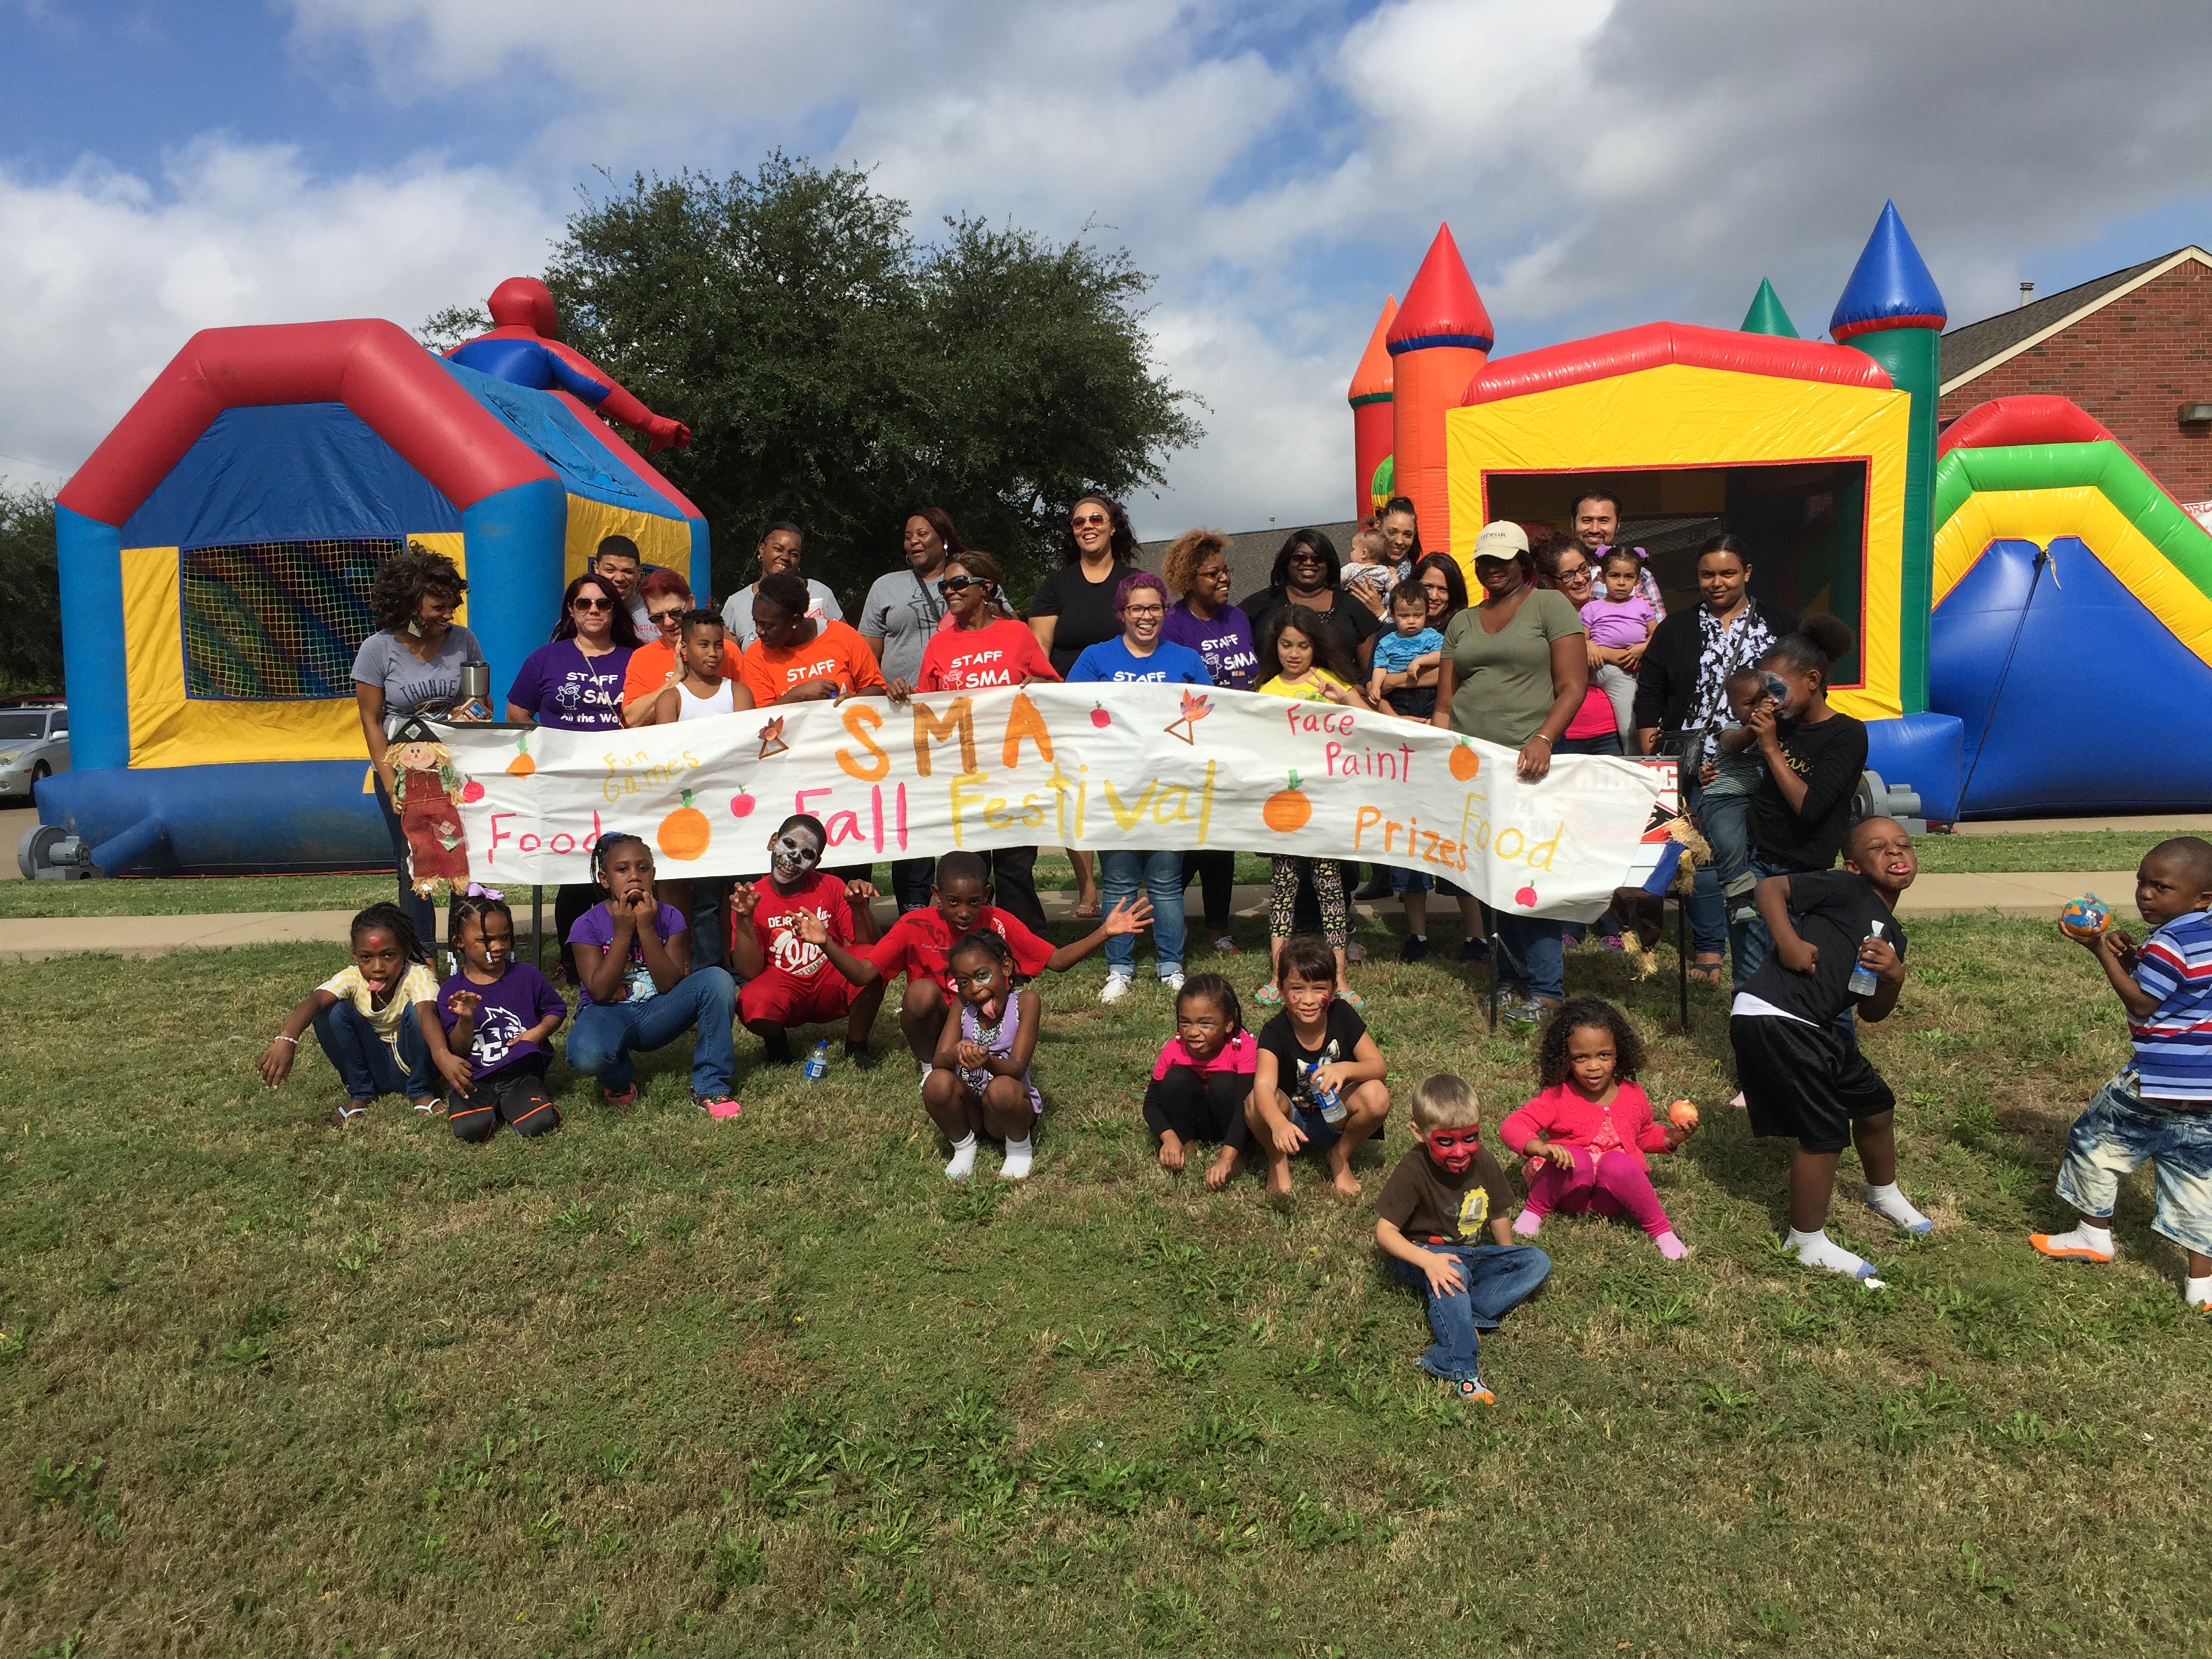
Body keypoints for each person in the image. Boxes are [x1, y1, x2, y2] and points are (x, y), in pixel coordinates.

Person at [1729, 816, 1930, 1282]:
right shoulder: (1845, 889)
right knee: (1824, 1131)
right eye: (1879, 848)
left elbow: (1873, 1015)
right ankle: (1805, 1241)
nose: (1895, 852)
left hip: (1815, 1024)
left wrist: (1894, 977)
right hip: (1773, 1013)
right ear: (1854, 866)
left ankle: (1883, 1192)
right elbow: (1770, 890)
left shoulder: (1894, 936)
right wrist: (1788, 942)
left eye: (1902, 845)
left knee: (1875, 1104)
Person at [2030, 836, 2212, 1310]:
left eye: (2161, 887)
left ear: (2202, 897)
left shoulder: (2171, 941)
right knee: (2196, 1176)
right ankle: (2203, 1285)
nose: (2145, 895)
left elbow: (2143, 1002)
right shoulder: (2202, 935)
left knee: (2095, 1142)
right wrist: (2134, 958)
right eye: (2141, 882)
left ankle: (2093, 1236)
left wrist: (2099, 952)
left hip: (2156, 1080)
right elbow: (2183, 990)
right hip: (2207, 1087)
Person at [1432, 520, 1589, 1024]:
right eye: (1483, 561)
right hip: (1474, 769)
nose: (1492, 569)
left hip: (1530, 765)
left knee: (1530, 875)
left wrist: (1543, 738)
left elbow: (1571, 687)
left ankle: (1546, 989)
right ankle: (1509, 975)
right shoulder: (1462, 621)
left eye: (1503, 560)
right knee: (1492, 875)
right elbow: (1445, 703)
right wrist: (1440, 756)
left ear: (1524, 563)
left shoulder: (1550, 605)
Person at [800, 851, 1147, 1073]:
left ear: (986, 894)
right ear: (936, 895)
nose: (964, 912)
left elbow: (1055, 960)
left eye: (972, 902)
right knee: (920, 993)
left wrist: (1104, 932)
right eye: (953, 902)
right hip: (940, 1024)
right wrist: (827, 943)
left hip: (986, 1027)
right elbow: (863, 974)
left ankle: (979, 1056)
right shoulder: (913, 924)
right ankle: (930, 1066)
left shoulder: (999, 920)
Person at [1633, 534, 1795, 986]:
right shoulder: (1677, 629)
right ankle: (1709, 946)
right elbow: (1651, 693)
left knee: (1761, 851)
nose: (1716, 582)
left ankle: (1766, 936)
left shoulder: (1778, 622)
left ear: (1747, 572)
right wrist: (1657, 754)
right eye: (1707, 574)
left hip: (1768, 754)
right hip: (1699, 760)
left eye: (1727, 573)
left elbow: (1801, 684)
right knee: (1702, 857)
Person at [890, 550, 1059, 935]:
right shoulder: (939, 644)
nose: (949, 591)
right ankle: (970, 938)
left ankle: (1023, 941)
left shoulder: (1016, 634)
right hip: (962, 777)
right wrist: (901, 696)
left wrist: (1043, 686)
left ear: (986, 588)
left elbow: (1055, 688)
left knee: (1014, 864)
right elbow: (927, 709)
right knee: (969, 862)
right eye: (944, 585)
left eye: (958, 583)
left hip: (1013, 770)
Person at [1067, 571, 1211, 1002]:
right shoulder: (1096, 657)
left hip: (1171, 786)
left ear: (1165, 611)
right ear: (1122, 613)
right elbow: (1070, 710)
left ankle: (1171, 965)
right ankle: (1120, 968)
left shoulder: (1186, 658)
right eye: (1136, 609)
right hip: (1116, 787)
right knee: (1119, 880)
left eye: (1154, 608)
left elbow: (1210, 715)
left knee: (1166, 881)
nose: (1146, 617)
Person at [1374, 1073, 1552, 1404]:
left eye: (1470, 1138)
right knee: (1453, 1275)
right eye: (1446, 1141)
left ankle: (1468, 1316)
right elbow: (1385, 1232)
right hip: (1419, 1255)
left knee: (1536, 1261)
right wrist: (1429, 1261)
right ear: (1419, 1132)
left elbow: (1498, 1214)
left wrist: (1507, 1261)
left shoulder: (1482, 1160)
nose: (1460, 1151)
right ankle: (1459, 1367)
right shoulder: (1413, 1168)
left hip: (1469, 1255)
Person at [351, 544, 485, 943]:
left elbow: (480, 702)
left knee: (462, 859)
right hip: (403, 771)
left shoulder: (463, 641)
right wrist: (390, 780)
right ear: (410, 604)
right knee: (416, 863)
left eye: (451, 606)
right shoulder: (378, 649)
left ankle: (466, 949)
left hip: (454, 770)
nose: (448, 616)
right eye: (437, 607)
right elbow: (371, 721)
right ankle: (421, 953)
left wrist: (471, 712)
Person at [564, 832, 741, 1118]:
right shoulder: (586, 924)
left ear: (653, 874)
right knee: (586, 1055)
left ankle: (709, 1085)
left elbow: (669, 983)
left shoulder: (669, 917)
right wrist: (622, 933)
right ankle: (619, 1079)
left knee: (717, 980)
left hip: (658, 1012)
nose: (634, 876)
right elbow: (600, 992)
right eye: (622, 870)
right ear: (605, 879)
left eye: (643, 868)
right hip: (606, 1012)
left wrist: (646, 929)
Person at [1731, 617, 1868, 989]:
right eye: (1765, 688)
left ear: (1812, 680)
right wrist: (1752, 732)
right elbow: (1729, 746)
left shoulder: (1847, 734)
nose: (1770, 698)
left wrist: (1771, 747)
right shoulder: (1781, 720)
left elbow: (1811, 808)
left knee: (1806, 973)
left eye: (1777, 688)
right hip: (1756, 861)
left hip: (1806, 874)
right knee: (1751, 970)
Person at [1500, 998, 1695, 1258]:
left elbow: (1644, 1134)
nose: (1593, 1066)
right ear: (1565, 1059)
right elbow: (1513, 1126)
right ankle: (1534, 1211)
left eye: (1603, 1055)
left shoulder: (1632, 1094)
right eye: (1581, 1058)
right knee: (1575, 1157)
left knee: (1619, 1163)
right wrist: (1541, 1148)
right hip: (1569, 1189)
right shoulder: (1558, 1096)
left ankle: (1661, 1231)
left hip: (1611, 1196)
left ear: (1618, 1053)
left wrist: (1671, 1137)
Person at [1254, 609, 1370, 1006]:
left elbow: (1374, 727)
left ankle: (1339, 977)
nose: (1294, 653)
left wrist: (1345, 700)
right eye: (1286, 644)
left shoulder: (1330, 682)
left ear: (1315, 646)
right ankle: (1277, 975)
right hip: (1285, 807)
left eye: (1303, 645)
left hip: (1327, 803)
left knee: (1329, 887)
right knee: (1284, 886)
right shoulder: (1266, 691)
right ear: (1276, 645)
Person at [1029, 495, 1138, 918]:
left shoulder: (1135, 582)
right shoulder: (1056, 586)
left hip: (1125, 707)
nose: (1088, 526)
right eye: (1078, 522)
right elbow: (1040, 651)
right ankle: (1088, 887)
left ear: (1114, 526)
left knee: (1121, 793)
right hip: (1070, 706)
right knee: (1075, 795)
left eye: (1097, 518)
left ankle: (1123, 880)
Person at [1160, 529, 1258, 954]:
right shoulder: (1175, 625)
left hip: (1233, 746)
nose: (1223, 580)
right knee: (1186, 843)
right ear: (1187, 579)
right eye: (1211, 574)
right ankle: (1165, 921)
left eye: (1225, 571)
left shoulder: (1236, 618)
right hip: (1191, 747)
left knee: (1221, 843)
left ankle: (1219, 930)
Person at [257, 902, 443, 1125]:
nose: (377, 967)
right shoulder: (352, 978)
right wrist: (287, 1039)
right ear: (355, 955)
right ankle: (360, 1092)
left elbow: (427, 1015)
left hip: (411, 1062)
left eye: (388, 955)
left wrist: (444, 1055)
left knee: (417, 1011)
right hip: (377, 1068)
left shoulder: (418, 976)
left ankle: (420, 1091)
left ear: (404, 952)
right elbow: (314, 1001)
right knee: (329, 1011)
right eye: (366, 957)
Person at [861, 508, 962, 912]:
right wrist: (886, 686)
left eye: (923, 534)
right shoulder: (886, 587)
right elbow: (866, 659)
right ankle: (914, 909)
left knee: (959, 810)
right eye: (908, 536)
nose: (914, 541)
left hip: (959, 719)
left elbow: (999, 628)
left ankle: (965, 901)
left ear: (945, 538)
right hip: (903, 718)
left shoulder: (966, 578)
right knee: (912, 809)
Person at [729, 813, 885, 1071]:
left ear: (817, 862)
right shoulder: (750, 897)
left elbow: (873, 951)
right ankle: (776, 1042)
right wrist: (745, 918)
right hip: (783, 984)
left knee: (869, 965)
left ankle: (857, 1045)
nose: (793, 858)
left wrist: (859, 907)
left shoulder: (831, 886)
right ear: (773, 842)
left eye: (807, 853)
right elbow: (749, 972)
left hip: (828, 979)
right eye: (788, 845)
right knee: (752, 1002)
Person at [1246, 935, 1391, 1198]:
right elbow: (1264, 1085)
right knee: (1254, 1101)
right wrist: (1278, 1123)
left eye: (1319, 988)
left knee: (1377, 1094)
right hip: (1292, 1120)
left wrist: (1345, 1069)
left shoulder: (1343, 1015)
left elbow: (1378, 1067)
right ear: (1280, 989)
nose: (1309, 1000)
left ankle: (1340, 1154)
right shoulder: (1274, 1031)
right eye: (1297, 989)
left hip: (1337, 1116)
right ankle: (1277, 1160)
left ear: (1334, 989)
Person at [426, 889, 565, 1145]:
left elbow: (556, 1011)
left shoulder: (526, 975)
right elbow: (457, 1049)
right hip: (475, 1078)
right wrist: (466, 1019)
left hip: (519, 1074)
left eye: (504, 938)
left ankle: (514, 1102)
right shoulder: (452, 990)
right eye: (486, 940)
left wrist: (536, 1034)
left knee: (539, 1123)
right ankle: (494, 1107)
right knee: (471, 1131)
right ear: (459, 941)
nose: (498, 946)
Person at [926, 929, 1044, 1181]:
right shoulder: (963, 1006)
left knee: (1002, 1087)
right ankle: (964, 1146)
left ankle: (1019, 1149)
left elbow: (1017, 1068)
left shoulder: (1025, 1002)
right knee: (935, 1081)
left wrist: (987, 1061)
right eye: (964, 982)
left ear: (1005, 967)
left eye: (982, 976)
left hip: (1008, 1109)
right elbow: (939, 1060)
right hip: (973, 1114)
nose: (975, 989)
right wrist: (957, 1052)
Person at [1143, 973, 1256, 1189]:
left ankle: (1239, 1152)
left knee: (1223, 1083)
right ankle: (1187, 1145)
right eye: (1185, 1022)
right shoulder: (1173, 1050)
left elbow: (1246, 1107)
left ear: (1229, 1023)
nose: (1193, 1032)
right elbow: (1151, 1105)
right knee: (1175, 1078)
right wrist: (1169, 1137)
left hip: (1232, 1120)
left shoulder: (1243, 1048)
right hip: (1196, 1122)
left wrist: (1227, 1157)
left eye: (1206, 1023)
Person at [505, 571, 639, 731]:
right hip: (559, 755)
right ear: (571, 609)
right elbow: (515, 714)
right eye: (584, 604)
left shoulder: (637, 658)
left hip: (618, 755)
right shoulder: (544, 658)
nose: (594, 610)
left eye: (603, 604)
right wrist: (546, 742)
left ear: (614, 611)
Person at [1237, 527, 1380, 676]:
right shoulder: (1259, 603)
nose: (1309, 563)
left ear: (1329, 564)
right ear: (1286, 562)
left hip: (1338, 697)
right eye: (1300, 558)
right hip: (1275, 697)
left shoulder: (1352, 606)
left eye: (1318, 559)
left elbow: (1371, 671)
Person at [737, 571, 887, 709]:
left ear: (795, 621)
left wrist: (853, 701)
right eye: (756, 622)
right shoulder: (756, 656)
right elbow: (759, 720)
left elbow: (877, 688)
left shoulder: (844, 636)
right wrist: (799, 695)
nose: (759, 631)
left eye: (768, 625)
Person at [1700, 669, 1777, 928]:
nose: (1757, 709)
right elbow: (1735, 745)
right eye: (1749, 704)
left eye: (1762, 700)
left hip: (1755, 799)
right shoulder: (1731, 729)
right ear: (1733, 710)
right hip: (1724, 798)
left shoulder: (1776, 730)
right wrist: (1757, 726)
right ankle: (1737, 898)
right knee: (1728, 842)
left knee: (1751, 848)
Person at [1580, 548, 1658, 747]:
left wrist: (1642, 648)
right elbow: (1581, 638)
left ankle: (1633, 760)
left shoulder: (1643, 606)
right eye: (1615, 576)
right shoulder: (1591, 608)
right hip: (1597, 666)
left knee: (1628, 728)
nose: (1622, 582)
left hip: (1625, 671)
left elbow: (1657, 635)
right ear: (1601, 577)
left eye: (1628, 577)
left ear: (1638, 579)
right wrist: (1589, 644)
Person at [722, 522, 842, 651]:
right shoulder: (737, 604)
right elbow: (730, 663)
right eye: (778, 549)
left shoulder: (820, 593)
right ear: (762, 549)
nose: (785, 557)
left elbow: (844, 642)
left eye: (794, 554)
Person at [1567, 489, 1664, 619]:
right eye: (1587, 520)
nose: (1595, 529)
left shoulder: (1641, 575)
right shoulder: (1555, 572)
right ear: (1573, 523)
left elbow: (1659, 628)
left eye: (1604, 521)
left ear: (1618, 525)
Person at [621, 570, 698, 726]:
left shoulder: (725, 650)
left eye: (675, 613)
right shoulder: (642, 658)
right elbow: (632, 720)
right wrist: (676, 679)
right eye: (658, 617)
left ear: (691, 603)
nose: (668, 623)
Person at [650, 610, 752, 724]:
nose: (713, 653)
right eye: (704, 645)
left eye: (719, 646)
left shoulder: (738, 693)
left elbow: (746, 738)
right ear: (684, 648)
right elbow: (666, 740)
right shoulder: (670, 700)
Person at [1365, 582, 1441, 712]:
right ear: (1393, 616)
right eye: (1404, 616)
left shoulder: (1432, 636)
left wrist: (1420, 661)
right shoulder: (1386, 642)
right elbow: (1380, 667)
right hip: (1398, 694)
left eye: (1418, 615)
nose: (1411, 621)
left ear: (1426, 613)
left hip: (1429, 691)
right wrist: (1376, 687)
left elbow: (1442, 656)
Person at [590, 535, 654, 636]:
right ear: (596, 568)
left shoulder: (657, 616)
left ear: (639, 572)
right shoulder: (584, 614)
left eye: (628, 571)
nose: (619, 578)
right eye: (610, 570)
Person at [1342, 525, 1397, 617]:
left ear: (1364, 553)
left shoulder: (1352, 568)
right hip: (1372, 613)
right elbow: (1395, 591)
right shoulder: (1383, 571)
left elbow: (1336, 579)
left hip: (1351, 608)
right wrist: (1394, 574)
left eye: (1353, 549)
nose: (1350, 552)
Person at [1378, 495, 1422, 582]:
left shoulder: (1418, 579)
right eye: (1392, 532)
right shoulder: (1359, 571)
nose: (1399, 541)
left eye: (1407, 534)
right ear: (1378, 526)